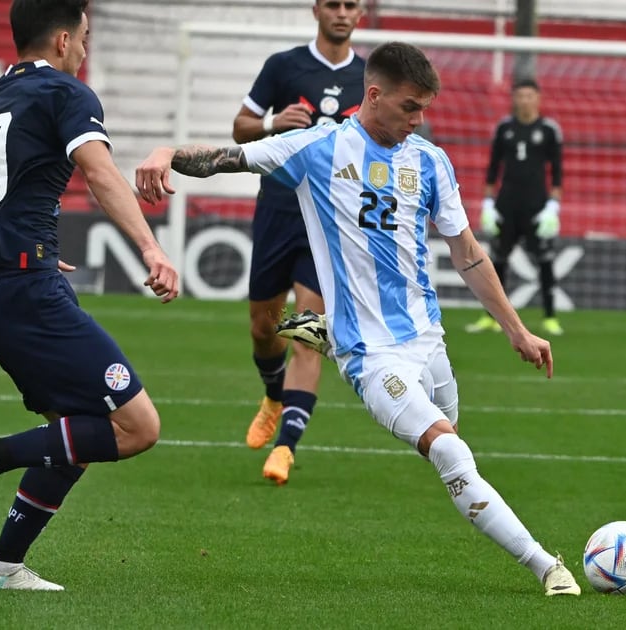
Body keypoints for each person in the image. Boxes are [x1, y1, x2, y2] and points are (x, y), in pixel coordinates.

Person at [135, 41, 582, 597]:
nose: (419, 121)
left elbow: (467, 252)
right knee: (448, 450)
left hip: (429, 339)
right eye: (410, 108)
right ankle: (547, 567)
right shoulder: (318, 147)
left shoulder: (429, 160)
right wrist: (164, 152)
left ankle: (322, 328)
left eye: (424, 109)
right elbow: (229, 158)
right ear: (374, 96)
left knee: (451, 434)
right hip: (372, 357)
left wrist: (517, 329)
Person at [0, 0, 179, 591]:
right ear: (61, 39)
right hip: (28, 292)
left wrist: (27, 243)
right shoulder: (67, 94)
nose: (84, 49)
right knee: (137, 427)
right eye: (84, 38)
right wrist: (152, 250)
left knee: (73, 435)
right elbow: (100, 174)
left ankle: (0, 570)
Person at [233, 0, 366, 485]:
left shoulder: (371, 76)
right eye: (333, 4)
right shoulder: (283, 66)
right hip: (278, 211)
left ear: (361, 14)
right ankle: (273, 394)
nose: (342, 13)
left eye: (351, 5)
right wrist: (272, 123)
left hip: (330, 221)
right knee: (264, 328)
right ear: (317, 10)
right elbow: (240, 127)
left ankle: (285, 447)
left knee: (307, 331)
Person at [465, 78, 565, 336]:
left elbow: (557, 172)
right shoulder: (504, 128)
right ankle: (490, 317)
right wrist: (488, 203)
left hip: (537, 207)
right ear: (514, 98)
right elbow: (493, 167)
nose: (524, 101)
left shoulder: (549, 130)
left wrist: (553, 206)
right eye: (520, 96)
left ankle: (550, 316)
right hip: (506, 205)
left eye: (529, 96)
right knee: (496, 262)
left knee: (545, 261)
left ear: (538, 99)